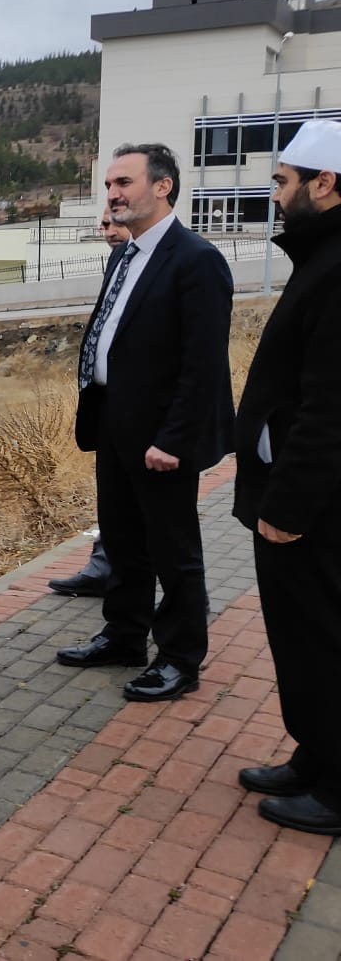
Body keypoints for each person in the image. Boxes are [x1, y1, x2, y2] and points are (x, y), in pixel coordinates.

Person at [56, 144, 234, 701]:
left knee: (173, 549)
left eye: (124, 182)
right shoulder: (124, 254)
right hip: (115, 422)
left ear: (163, 187)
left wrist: (174, 439)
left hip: (161, 436)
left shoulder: (196, 260)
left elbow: (202, 362)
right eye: (109, 183)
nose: (112, 194)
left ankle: (180, 657)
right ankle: (124, 636)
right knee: (124, 538)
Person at [231, 118, 341, 836]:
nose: (274, 194)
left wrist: (291, 505)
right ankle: (317, 754)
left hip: (313, 510)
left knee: (324, 635)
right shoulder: (322, 257)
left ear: (325, 184)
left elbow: (331, 405)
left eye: (283, 182)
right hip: (294, 500)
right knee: (301, 638)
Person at [48, 216, 134, 598]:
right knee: (113, 499)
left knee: (160, 514)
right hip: (109, 407)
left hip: (148, 414)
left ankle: (185, 604)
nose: (109, 232)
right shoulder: (118, 263)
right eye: (103, 225)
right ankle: (104, 568)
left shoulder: (180, 261)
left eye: (116, 224)